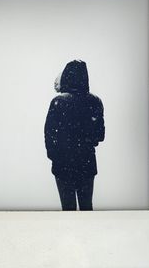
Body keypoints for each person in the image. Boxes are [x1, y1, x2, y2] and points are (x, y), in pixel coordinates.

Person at [44, 60, 105, 211]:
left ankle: (69, 234)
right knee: (86, 208)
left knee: (68, 209)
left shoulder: (58, 102)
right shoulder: (95, 102)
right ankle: (88, 234)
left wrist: (55, 156)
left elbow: (49, 134)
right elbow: (100, 135)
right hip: (87, 164)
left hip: (63, 166)